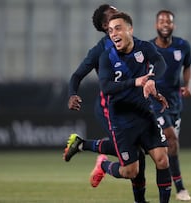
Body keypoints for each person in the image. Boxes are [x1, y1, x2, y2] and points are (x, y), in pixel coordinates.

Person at [63, 5, 149, 203]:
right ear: (104, 25)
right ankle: (102, 165)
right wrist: (72, 94)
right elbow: (77, 75)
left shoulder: (131, 41)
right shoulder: (100, 50)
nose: (118, 13)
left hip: (133, 106)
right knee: (134, 156)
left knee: (137, 154)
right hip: (110, 108)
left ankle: (83, 145)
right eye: (113, 13)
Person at [91, 12, 171, 203]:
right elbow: (106, 87)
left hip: (145, 114)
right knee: (130, 171)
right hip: (121, 120)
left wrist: (151, 79)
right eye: (110, 31)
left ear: (130, 29)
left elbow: (161, 63)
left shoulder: (144, 48)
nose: (114, 34)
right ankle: (104, 166)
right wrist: (136, 82)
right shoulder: (106, 57)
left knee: (162, 159)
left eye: (118, 28)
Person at [149, 10, 191, 201]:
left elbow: (188, 66)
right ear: (156, 25)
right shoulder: (149, 48)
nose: (165, 24)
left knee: (169, 148)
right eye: (161, 21)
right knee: (171, 138)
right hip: (155, 102)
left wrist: (188, 85)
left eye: (169, 21)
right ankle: (181, 188)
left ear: (173, 25)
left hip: (175, 103)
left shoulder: (183, 46)